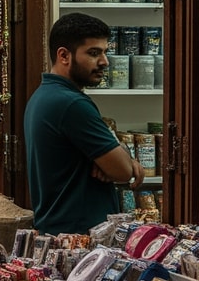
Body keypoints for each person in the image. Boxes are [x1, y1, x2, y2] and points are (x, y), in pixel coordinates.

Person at [25, 13, 145, 234]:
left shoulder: (43, 95)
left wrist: (111, 158)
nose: (104, 61)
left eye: (105, 52)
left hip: (58, 231)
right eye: (93, 53)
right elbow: (123, 171)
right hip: (78, 239)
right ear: (64, 55)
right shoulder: (71, 104)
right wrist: (124, 162)